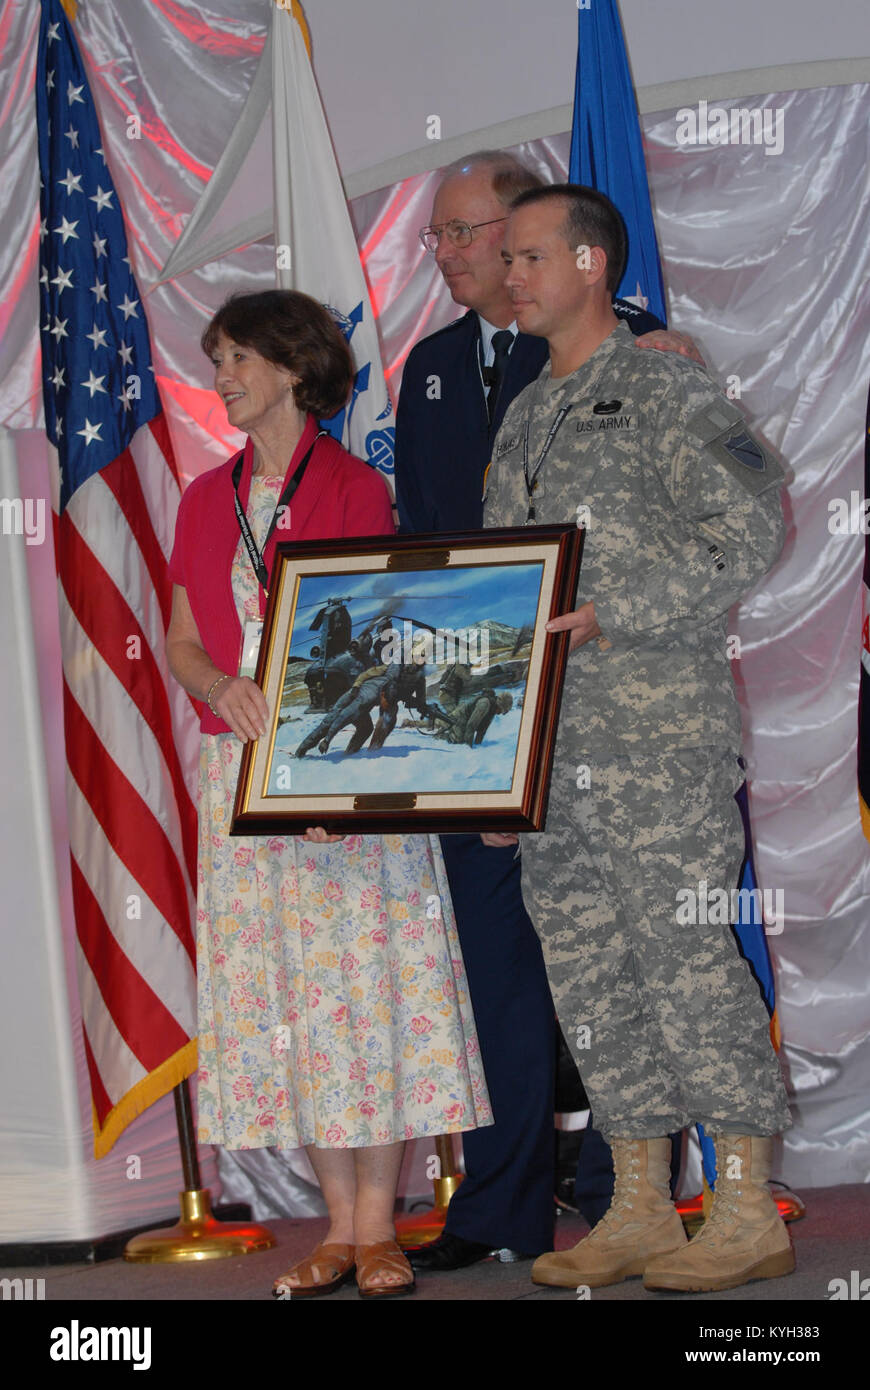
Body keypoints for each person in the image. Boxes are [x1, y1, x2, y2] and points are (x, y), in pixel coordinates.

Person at [483, 184, 793, 1294]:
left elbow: (755, 520)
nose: (507, 274)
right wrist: (489, 770)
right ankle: (641, 1205)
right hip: (551, 762)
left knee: (684, 962)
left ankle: (749, 1203)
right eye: (504, 258)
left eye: (526, 255)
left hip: (656, 743)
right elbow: (502, 607)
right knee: (590, 975)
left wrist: (622, 610)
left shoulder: (667, 386)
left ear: (590, 263)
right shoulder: (522, 414)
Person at [394, 149, 700, 1272]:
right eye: (439, 236)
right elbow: (424, 543)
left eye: (469, 231)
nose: (451, 252)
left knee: (624, 947)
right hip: (478, 708)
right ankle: (498, 1206)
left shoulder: (614, 347)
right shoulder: (425, 368)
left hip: (609, 708)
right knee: (494, 967)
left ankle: (635, 1192)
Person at [166, 289, 492, 1299]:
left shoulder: (354, 486)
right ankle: (337, 1232)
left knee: (368, 997)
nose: (220, 377)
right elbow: (179, 637)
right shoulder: (197, 497)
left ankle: (376, 1226)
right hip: (241, 777)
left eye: (236, 359)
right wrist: (218, 684)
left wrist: (323, 771)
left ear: (295, 370)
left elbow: (374, 633)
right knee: (292, 1008)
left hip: (342, 770)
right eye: (216, 360)